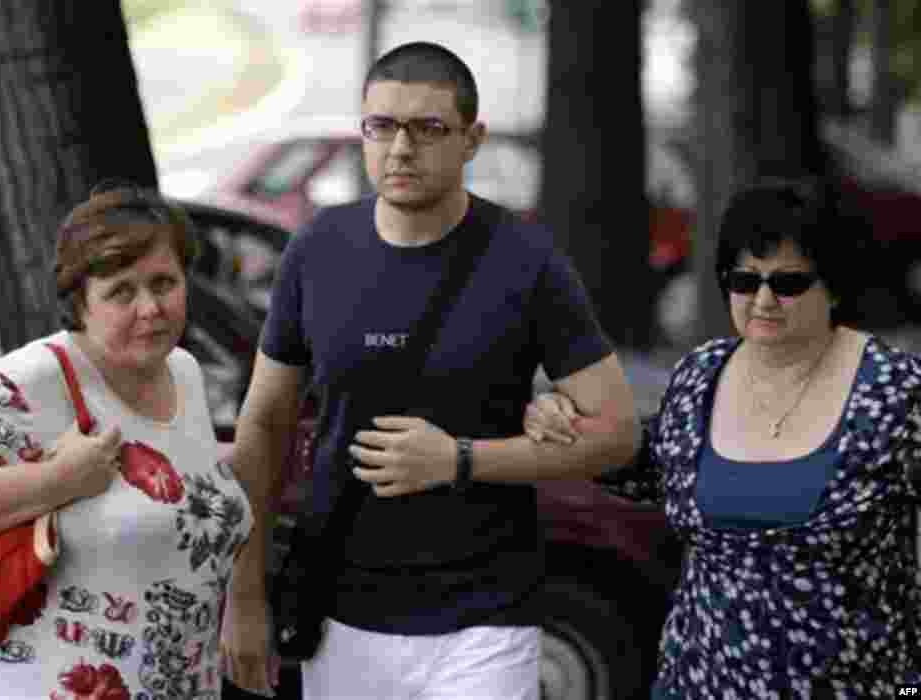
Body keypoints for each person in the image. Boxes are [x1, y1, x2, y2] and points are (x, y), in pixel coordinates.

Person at [220, 40, 640, 699]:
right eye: (380, 126)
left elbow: (617, 433)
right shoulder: (317, 250)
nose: (400, 148)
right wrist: (243, 596)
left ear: (472, 140)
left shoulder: (526, 260)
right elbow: (265, 423)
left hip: (487, 613)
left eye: (428, 128)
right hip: (339, 608)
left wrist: (462, 459)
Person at [524, 177, 921, 698]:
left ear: (834, 286)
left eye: (788, 283)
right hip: (697, 682)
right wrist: (567, 424)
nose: (763, 300)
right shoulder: (701, 374)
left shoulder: (895, 392)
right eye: (743, 280)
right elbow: (653, 469)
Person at [0, 183, 254, 699]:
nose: (150, 308)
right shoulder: (26, 380)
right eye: (121, 291)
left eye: (164, 283)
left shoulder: (182, 371)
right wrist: (60, 479)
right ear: (80, 303)